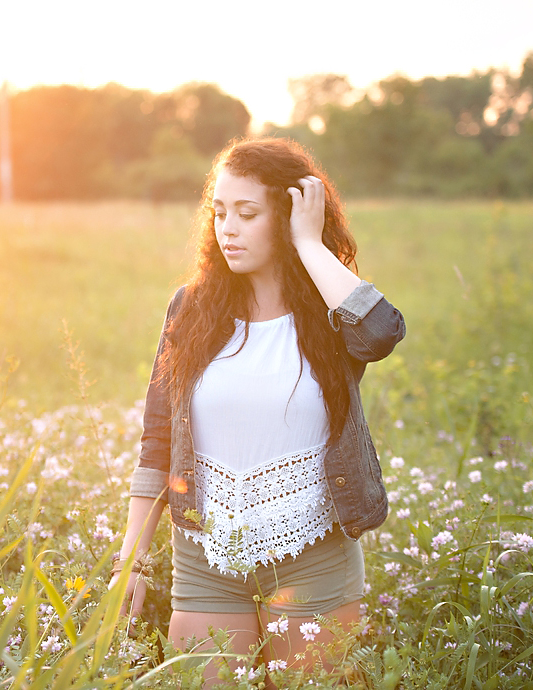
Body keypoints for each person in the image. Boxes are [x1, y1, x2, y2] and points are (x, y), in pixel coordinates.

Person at [112, 138, 404, 682]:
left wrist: (311, 248)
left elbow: (381, 331)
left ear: (290, 216)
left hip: (314, 552)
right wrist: (132, 558)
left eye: (247, 213)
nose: (228, 228)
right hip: (206, 556)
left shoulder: (329, 311)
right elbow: (157, 441)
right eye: (220, 212)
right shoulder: (191, 308)